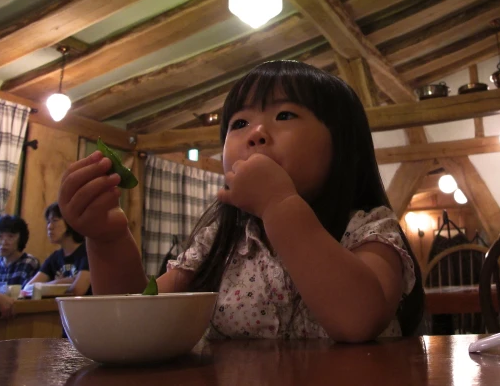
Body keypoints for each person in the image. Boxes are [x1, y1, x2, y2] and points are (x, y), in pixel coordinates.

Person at [58, 60, 424, 341]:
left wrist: (280, 206)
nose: (256, 134)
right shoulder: (218, 241)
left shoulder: (370, 229)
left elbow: (358, 319)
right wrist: (107, 240)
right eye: (239, 124)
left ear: (345, 147)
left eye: (284, 115)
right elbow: (137, 323)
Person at [24, 203, 91, 296]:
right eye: (48, 222)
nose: (49, 227)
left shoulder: (88, 252)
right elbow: (27, 289)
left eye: (55, 220)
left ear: (70, 222)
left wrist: (46, 287)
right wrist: (67, 281)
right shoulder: (54, 257)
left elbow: (78, 290)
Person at [0, 215, 40, 287]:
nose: (3, 242)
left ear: (20, 239)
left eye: (10, 236)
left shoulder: (30, 263)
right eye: (0, 236)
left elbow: (28, 294)